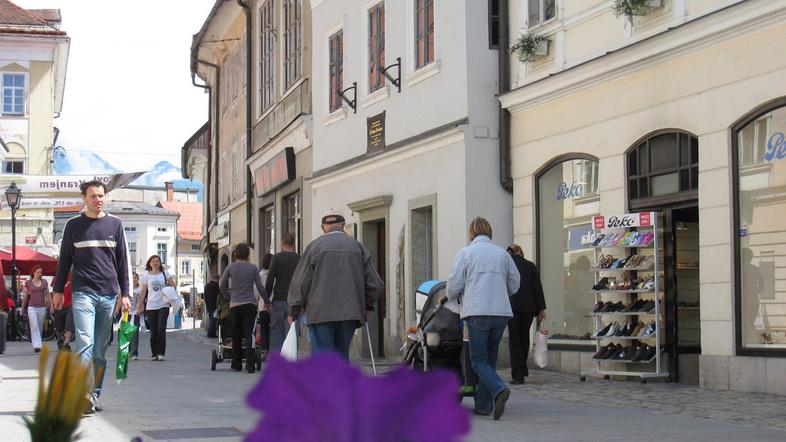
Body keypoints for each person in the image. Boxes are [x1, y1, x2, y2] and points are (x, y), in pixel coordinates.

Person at [52, 179, 132, 415]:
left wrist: (125, 293)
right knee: (84, 342)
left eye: (101, 196)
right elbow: (64, 260)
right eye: (94, 196)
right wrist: (57, 290)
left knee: (99, 350)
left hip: (108, 294)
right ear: (84, 198)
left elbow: (122, 262)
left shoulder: (115, 225)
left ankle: (94, 393)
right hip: (82, 292)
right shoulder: (73, 226)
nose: (98, 200)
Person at [447, 217, 519, 421]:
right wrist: (503, 293)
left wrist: (453, 297)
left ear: (472, 233)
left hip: (477, 311)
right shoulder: (502, 254)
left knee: (477, 360)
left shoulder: (466, 253)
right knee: (490, 359)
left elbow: (453, 284)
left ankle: (499, 389)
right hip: (501, 312)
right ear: (489, 232)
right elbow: (515, 282)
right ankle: (484, 405)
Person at [288, 210, 383, 359]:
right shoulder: (358, 247)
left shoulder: (315, 247)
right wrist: (366, 304)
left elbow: (301, 281)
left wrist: (294, 309)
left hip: (320, 312)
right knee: (342, 355)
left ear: (323, 228)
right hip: (350, 312)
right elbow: (375, 284)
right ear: (343, 225)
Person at [219, 243, 268, 373]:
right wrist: (267, 301)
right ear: (247, 254)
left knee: (236, 334)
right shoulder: (253, 268)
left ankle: (237, 363)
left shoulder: (230, 267)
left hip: (235, 305)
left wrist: (229, 296)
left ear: (235, 254)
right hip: (250, 304)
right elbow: (260, 287)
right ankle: (250, 364)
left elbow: (222, 285)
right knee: (249, 334)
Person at [505, 244, 546, 385]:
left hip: (512, 307)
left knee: (514, 340)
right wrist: (541, 309)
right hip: (529, 308)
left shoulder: (508, 266)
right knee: (523, 338)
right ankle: (522, 367)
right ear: (521, 252)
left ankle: (518, 374)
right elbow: (537, 288)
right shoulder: (530, 266)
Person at [265, 234, 300, 351]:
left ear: (282, 244)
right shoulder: (299, 259)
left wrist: (266, 300)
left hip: (278, 299)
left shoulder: (276, 258)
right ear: (294, 245)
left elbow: (270, 280)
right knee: (292, 332)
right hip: (294, 302)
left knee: (276, 331)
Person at [136, 255, 170, 361]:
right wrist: (140, 305)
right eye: (153, 261)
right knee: (153, 331)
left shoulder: (165, 274)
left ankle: (161, 353)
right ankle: (154, 353)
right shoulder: (146, 275)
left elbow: (173, 285)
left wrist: (171, 285)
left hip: (164, 304)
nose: (155, 263)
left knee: (161, 329)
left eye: (157, 261)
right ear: (150, 263)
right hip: (151, 306)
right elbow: (143, 292)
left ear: (160, 263)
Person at [21, 265, 50, 353]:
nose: (40, 274)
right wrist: (22, 307)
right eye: (38, 272)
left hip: (42, 307)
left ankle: (38, 342)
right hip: (32, 307)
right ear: (33, 272)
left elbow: (47, 294)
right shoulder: (28, 283)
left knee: (40, 326)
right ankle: (37, 345)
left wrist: (50, 305)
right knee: (34, 325)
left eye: (41, 272)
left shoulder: (44, 282)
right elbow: (26, 296)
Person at [51, 274, 74, 351]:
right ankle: (60, 338)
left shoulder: (74, 276)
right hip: (59, 305)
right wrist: (53, 305)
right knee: (59, 326)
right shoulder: (57, 277)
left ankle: (66, 343)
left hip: (70, 305)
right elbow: (54, 291)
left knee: (70, 324)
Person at [129, 272, 143, 360]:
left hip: (135, 314)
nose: (133, 279)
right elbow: (119, 299)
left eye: (135, 277)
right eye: (132, 277)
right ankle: (128, 351)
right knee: (126, 334)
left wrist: (140, 309)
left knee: (134, 334)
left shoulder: (140, 290)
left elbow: (141, 301)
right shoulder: (126, 289)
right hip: (126, 314)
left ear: (138, 279)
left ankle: (134, 353)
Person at [204, 274, 220, 338]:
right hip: (214, 305)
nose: (219, 281)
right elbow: (217, 296)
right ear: (217, 279)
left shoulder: (207, 286)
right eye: (218, 279)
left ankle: (211, 333)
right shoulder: (216, 286)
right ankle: (210, 333)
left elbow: (205, 296)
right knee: (213, 320)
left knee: (212, 319)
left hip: (208, 305)